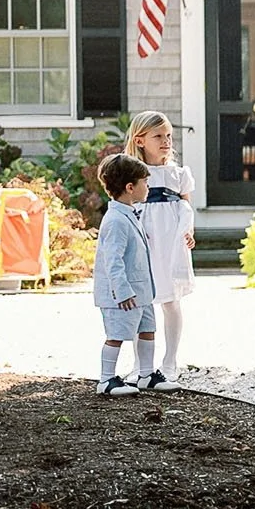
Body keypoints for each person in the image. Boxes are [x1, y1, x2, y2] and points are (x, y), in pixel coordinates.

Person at [124, 111, 194, 388]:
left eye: (168, 136)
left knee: (170, 300)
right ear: (140, 140)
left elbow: (186, 207)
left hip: (170, 242)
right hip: (143, 240)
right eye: (158, 136)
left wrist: (189, 234)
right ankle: (140, 364)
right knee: (139, 303)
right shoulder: (133, 173)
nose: (166, 141)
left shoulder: (178, 174)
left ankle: (170, 360)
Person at [90, 152, 157, 397]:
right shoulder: (116, 220)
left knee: (147, 329)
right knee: (116, 335)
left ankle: (146, 375)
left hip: (141, 292)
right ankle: (106, 380)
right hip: (124, 295)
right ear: (130, 187)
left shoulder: (129, 214)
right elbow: (112, 260)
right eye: (145, 183)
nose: (147, 187)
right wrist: (122, 290)